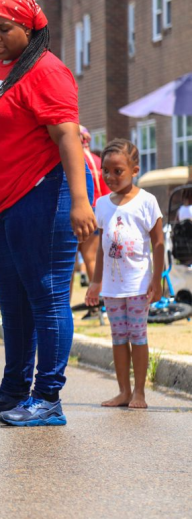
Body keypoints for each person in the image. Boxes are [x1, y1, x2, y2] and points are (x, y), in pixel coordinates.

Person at [0, 0, 97, 427]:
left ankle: (48, 397)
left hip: (44, 195)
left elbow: (67, 138)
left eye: (4, 29)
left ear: (31, 29)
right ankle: (14, 391)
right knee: (12, 302)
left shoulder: (47, 70)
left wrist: (80, 201)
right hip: (3, 203)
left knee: (48, 297)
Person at [86, 139, 164, 409]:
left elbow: (158, 243)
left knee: (138, 336)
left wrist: (157, 279)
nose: (110, 177)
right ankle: (123, 391)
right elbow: (101, 247)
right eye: (105, 171)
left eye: (117, 171)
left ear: (134, 170)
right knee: (118, 338)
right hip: (112, 288)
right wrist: (96, 282)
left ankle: (140, 392)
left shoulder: (147, 201)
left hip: (138, 285)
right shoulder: (102, 204)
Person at [74, 126, 111, 318]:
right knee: (92, 260)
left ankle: (63, 307)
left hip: (78, 210)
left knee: (69, 264)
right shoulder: (98, 161)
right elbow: (107, 191)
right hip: (98, 212)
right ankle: (97, 306)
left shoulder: (73, 159)